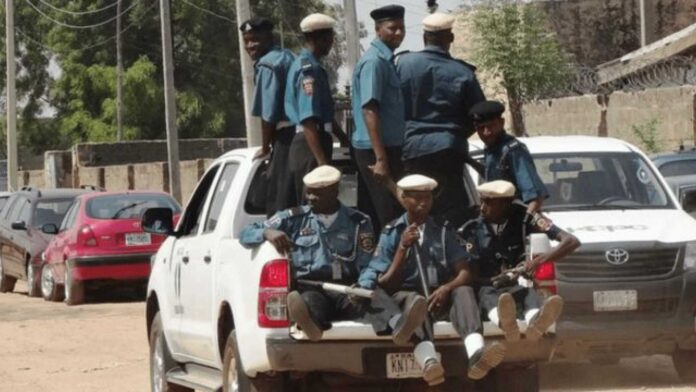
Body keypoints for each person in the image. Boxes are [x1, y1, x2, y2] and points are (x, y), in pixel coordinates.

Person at [239, 165, 426, 347]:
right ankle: (310, 324)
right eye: (308, 192)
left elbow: (370, 263)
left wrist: (363, 286)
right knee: (310, 303)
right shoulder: (292, 218)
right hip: (312, 286)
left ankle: (399, 327)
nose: (310, 198)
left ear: (334, 191)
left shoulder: (359, 221)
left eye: (317, 193)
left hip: (348, 287)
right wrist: (267, 233)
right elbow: (245, 233)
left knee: (375, 298)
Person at [358, 174, 506, 385]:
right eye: (417, 198)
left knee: (463, 290)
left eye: (427, 198)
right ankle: (429, 362)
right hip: (408, 296)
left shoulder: (445, 230)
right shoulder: (391, 232)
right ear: (403, 199)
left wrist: (447, 288)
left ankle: (476, 354)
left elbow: (465, 273)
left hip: (439, 294)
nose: (423, 203)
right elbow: (387, 283)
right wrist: (402, 248)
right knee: (414, 302)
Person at [458, 180, 580, 341]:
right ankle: (507, 324)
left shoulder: (525, 217)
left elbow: (571, 241)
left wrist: (536, 262)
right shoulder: (471, 228)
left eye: (488, 202)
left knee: (527, 292)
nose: (482, 208)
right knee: (488, 295)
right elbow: (468, 275)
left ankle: (536, 323)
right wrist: (496, 279)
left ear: (505, 204)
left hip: (516, 284)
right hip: (487, 286)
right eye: (481, 201)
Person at [396, 12, 486, 228]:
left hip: (412, 149)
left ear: (424, 38)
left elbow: (392, 107)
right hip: (449, 151)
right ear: (450, 38)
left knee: (415, 209)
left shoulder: (403, 64)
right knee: (452, 213)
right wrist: (454, 134)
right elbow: (479, 114)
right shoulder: (463, 72)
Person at [351, 5, 406, 230]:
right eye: (392, 28)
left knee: (385, 216)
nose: (399, 33)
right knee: (389, 218)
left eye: (401, 28)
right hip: (376, 152)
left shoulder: (386, 60)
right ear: (378, 30)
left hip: (386, 149)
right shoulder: (374, 62)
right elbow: (369, 110)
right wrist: (381, 160)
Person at [240, 17, 296, 215]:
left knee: (279, 204)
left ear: (269, 38)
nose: (250, 46)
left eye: (255, 40)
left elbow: (268, 114)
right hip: (304, 134)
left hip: (286, 137)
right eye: (246, 41)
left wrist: (265, 147)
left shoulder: (267, 65)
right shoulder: (288, 56)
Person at [284, 13, 339, 205]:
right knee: (315, 203)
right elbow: (309, 120)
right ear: (320, 39)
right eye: (330, 38)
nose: (331, 44)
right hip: (310, 144)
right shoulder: (309, 70)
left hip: (316, 140)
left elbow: (325, 113)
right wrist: (322, 163)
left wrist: (343, 138)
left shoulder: (311, 65)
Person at [469, 100, 549, 215]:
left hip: (515, 221)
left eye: (491, 126)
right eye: (481, 128)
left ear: (501, 123)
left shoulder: (513, 151)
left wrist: (523, 222)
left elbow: (535, 198)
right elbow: (494, 177)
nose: (486, 132)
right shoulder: (490, 149)